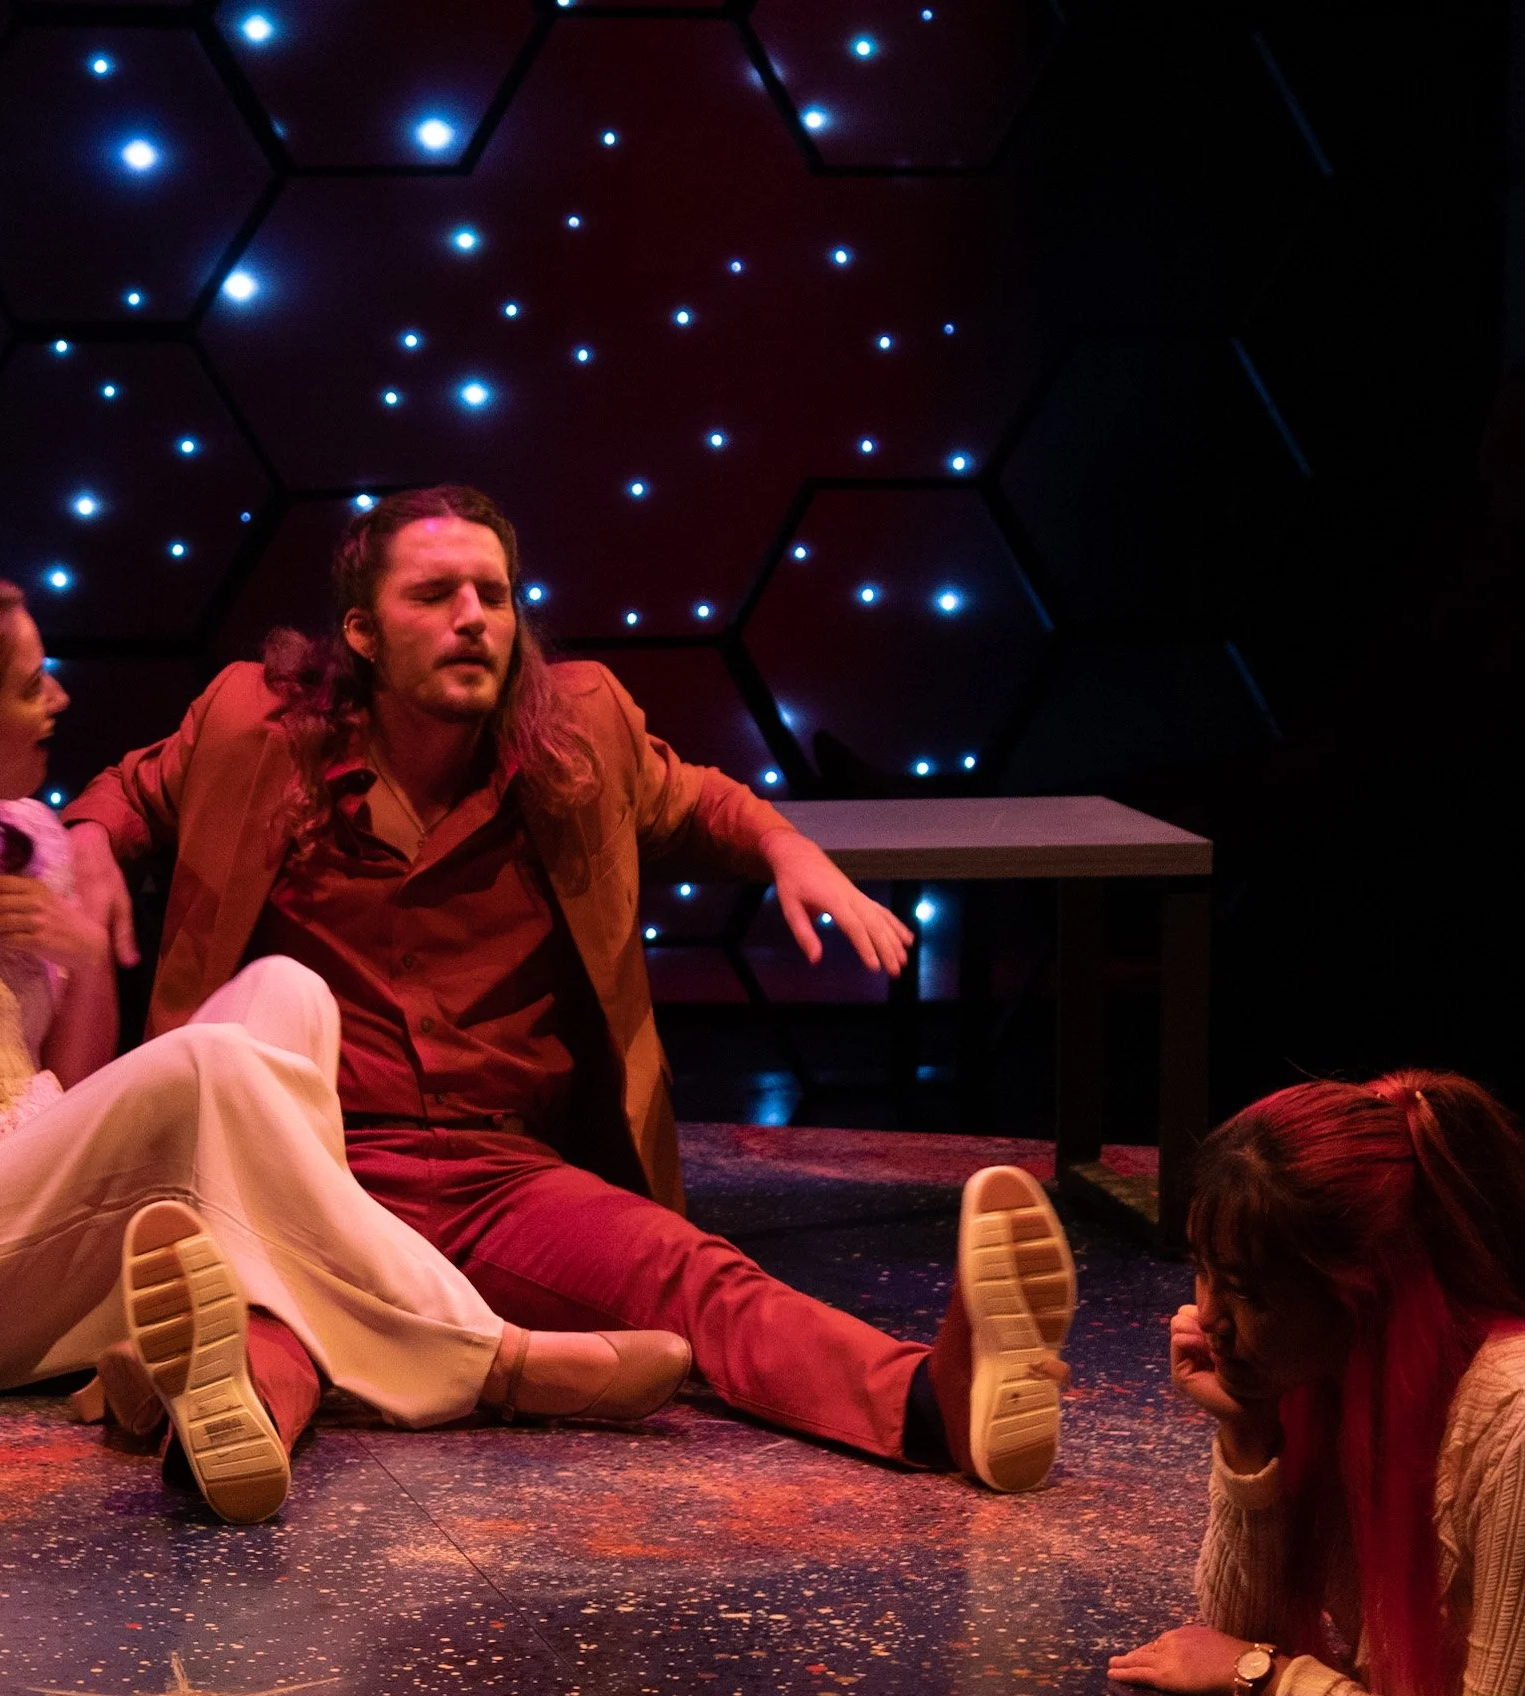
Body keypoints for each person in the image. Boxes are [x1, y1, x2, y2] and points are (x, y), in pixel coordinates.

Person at [62, 483, 1080, 1492]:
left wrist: (784, 846)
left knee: (692, 1275)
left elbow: (695, 799)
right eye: (436, 596)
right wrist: (91, 845)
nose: (473, 618)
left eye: (493, 595)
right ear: (364, 633)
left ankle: (937, 1398)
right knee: (264, 1314)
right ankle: (225, 1434)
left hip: (502, 1175)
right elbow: (129, 792)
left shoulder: (578, 731)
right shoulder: (254, 726)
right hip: (310, 1166)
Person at [0, 571, 692, 1527]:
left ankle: (163, 1354)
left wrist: (83, 951)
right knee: (206, 1067)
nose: (59, 697)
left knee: (286, 992)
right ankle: (494, 1360)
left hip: (24, 1216)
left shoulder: (32, 841)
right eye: (29, 685)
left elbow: (69, 1089)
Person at [1109, 1071, 1525, 1696]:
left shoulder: (1512, 1424)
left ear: (1361, 1292)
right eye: (1202, 1270)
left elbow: (1244, 1660)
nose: (1207, 1320)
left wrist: (1275, 1679)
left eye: (1247, 1292)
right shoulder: (1325, 1378)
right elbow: (1240, 1632)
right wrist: (1249, 1430)